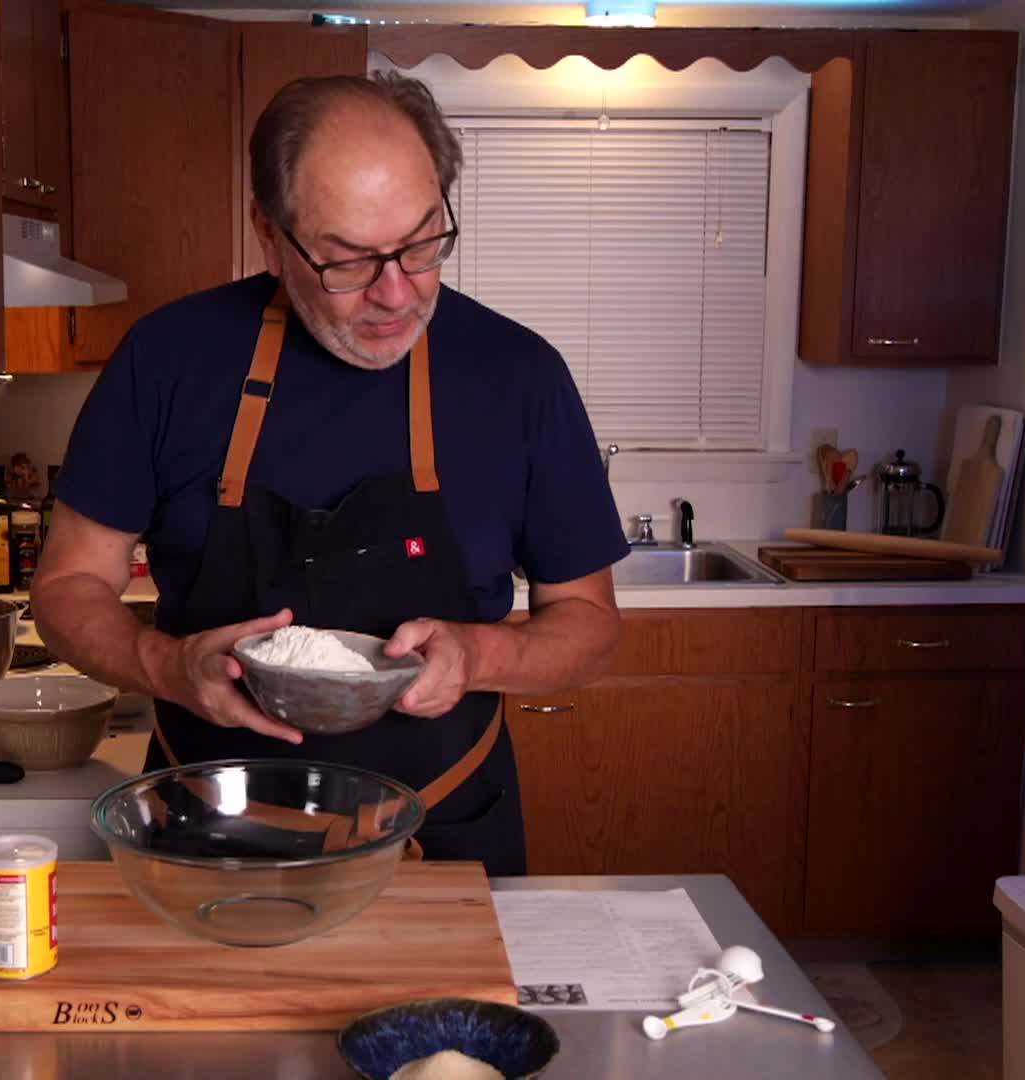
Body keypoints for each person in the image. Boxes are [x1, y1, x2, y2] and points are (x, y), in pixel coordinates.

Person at [32, 72, 627, 875]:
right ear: (270, 235)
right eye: (346, 261)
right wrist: (167, 667)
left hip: (444, 844)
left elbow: (589, 625)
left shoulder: (518, 378)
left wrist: (478, 658)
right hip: (205, 843)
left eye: (421, 246)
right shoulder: (168, 361)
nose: (394, 294)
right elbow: (67, 588)